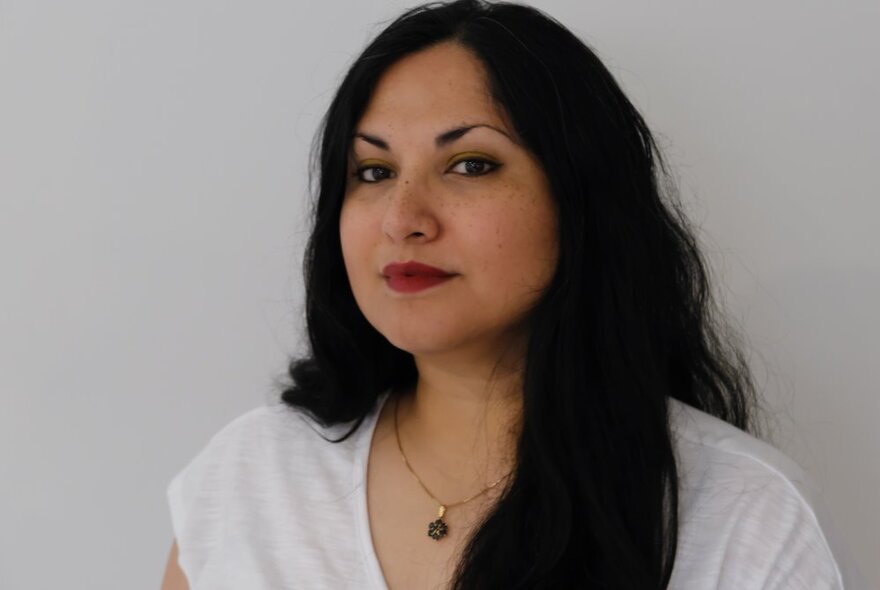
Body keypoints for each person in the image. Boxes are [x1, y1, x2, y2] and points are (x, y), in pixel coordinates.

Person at [161, 1, 867, 588]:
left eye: (469, 165)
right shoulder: (249, 480)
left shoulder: (745, 516)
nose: (404, 218)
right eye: (372, 172)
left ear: (581, 200)